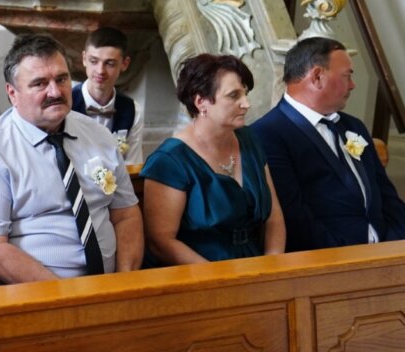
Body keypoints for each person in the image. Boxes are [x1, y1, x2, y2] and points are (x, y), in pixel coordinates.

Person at [0, 34, 143, 283]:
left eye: (61, 79)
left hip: (111, 286)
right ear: (12, 93)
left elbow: (126, 214)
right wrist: (60, 294)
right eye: (39, 84)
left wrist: (125, 283)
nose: (55, 92)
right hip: (35, 291)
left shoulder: (98, 136)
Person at [253, 37, 405, 251]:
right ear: (317, 77)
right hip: (327, 255)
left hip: (386, 249)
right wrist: (342, 254)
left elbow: (386, 193)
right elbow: (293, 214)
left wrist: (396, 240)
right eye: (347, 76)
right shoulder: (268, 133)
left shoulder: (354, 126)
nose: (352, 85)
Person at [142, 54, 284, 264]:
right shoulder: (169, 160)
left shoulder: (249, 139)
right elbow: (161, 242)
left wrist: (273, 264)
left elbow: (274, 216)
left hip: (256, 264)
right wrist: (221, 277)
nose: (246, 104)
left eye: (245, 93)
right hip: (199, 270)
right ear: (201, 102)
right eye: (233, 95)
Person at [70, 28, 144, 164]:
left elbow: (132, 165)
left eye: (110, 64)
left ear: (125, 64)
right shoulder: (66, 103)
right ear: (84, 59)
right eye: (94, 61)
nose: (100, 71)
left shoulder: (133, 110)